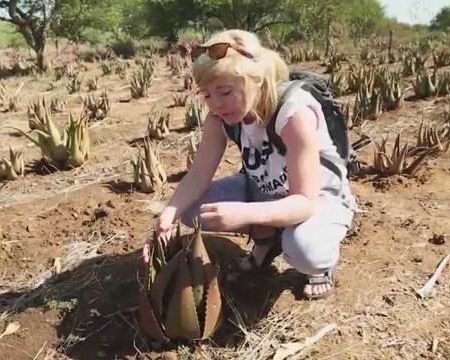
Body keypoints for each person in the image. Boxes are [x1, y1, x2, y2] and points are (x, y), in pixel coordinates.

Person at [147, 29, 356, 299]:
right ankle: (267, 239)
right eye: (207, 95)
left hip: (320, 198)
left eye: (224, 91)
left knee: (305, 252)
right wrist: (167, 217)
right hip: (266, 189)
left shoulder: (293, 114)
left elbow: (305, 200)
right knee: (191, 210)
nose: (217, 104)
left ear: (256, 80)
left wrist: (246, 214)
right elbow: (198, 175)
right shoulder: (219, 119)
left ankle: (321, 263)